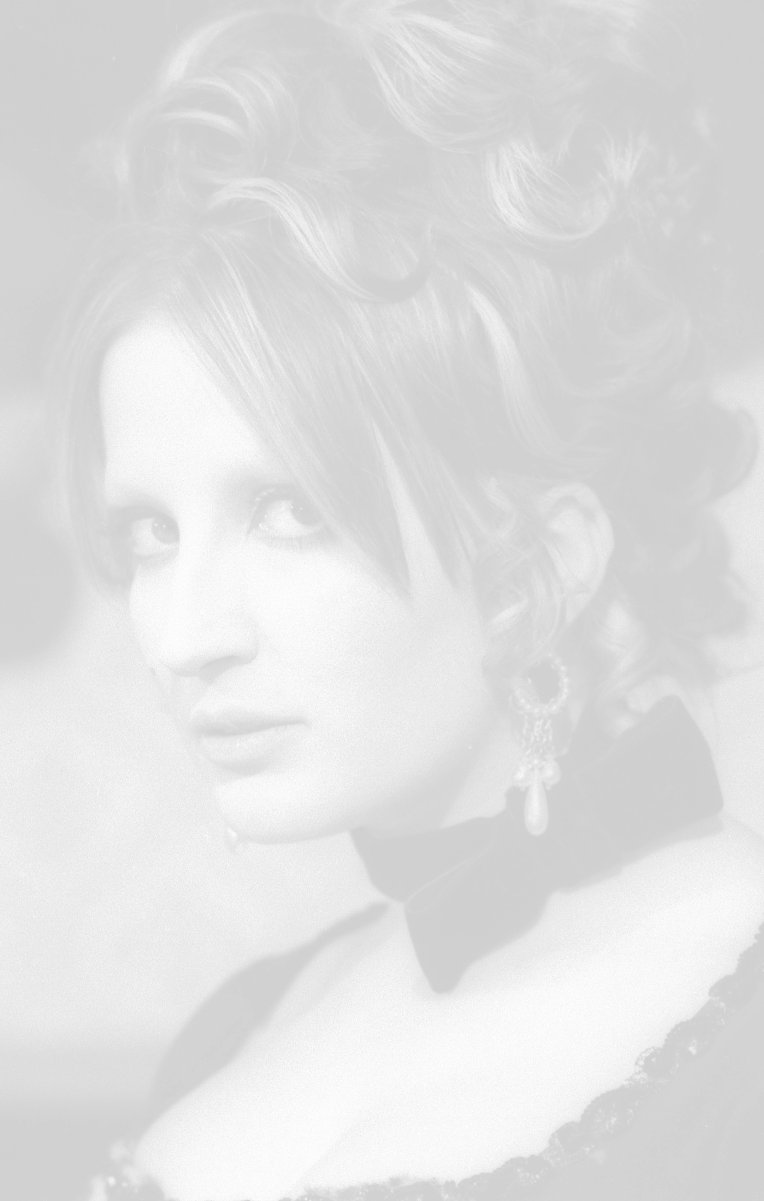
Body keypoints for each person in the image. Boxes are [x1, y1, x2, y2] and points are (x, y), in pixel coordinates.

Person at [56, 1, 764, 1198]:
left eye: (290, 510)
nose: (181, 637)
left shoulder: (732, 1041)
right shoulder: (234, 1028)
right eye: (151, 533)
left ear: (544, 559)